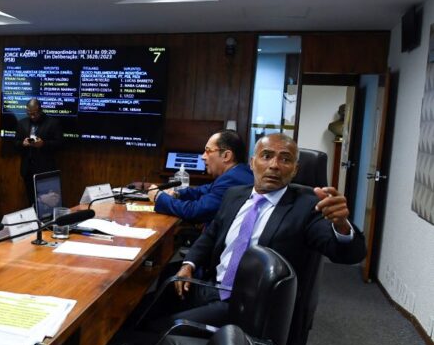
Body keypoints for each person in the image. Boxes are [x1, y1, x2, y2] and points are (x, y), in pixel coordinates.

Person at [153, 133, 366, 330]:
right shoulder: (234, 195)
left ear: (295, 170)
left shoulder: (307, 207)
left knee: (164, 327)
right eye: (266, 156)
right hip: (210, 286)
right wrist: (188, 265)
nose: (274, 165)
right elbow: (210, 236)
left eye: (285, 159)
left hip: (249, 305)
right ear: (252, 163)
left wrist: (341, 225)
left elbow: (349, 254)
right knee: (139, 312)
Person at [149, 130, 254, 223]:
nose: (203, 157)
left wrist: (159, 197)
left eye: (208, 151)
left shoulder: (233, 179)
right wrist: (176, 193)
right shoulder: (237, 173)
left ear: (226, 156)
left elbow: (194, 211)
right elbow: (201, 191)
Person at [14, 98, 63, 205]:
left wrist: (43, 144)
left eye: (34, 114)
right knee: (31, 200)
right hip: (28, 169)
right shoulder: (22, 123)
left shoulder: (53, 123)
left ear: (40, 110)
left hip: (45, 169)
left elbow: (60, 144)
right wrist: (23, 143)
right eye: (29, 113)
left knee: (48, 202)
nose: (32, 116)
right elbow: (15, 143)